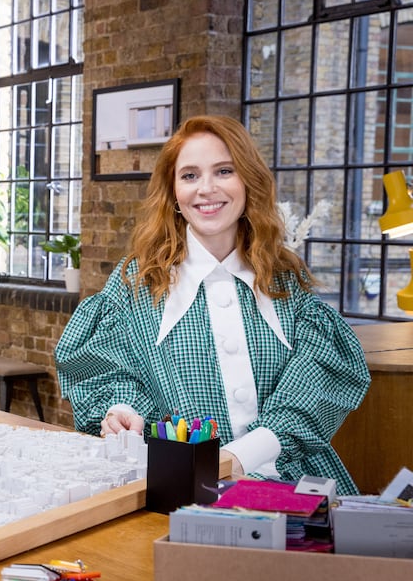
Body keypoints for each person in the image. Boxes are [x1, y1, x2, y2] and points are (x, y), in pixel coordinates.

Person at [54, 115, 369, 495]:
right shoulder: (137, 281)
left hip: (295, 489)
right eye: (189, 176)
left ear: (248, 182)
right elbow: (112, 370)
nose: (206, 189)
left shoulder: (286, 278)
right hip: (180, 489)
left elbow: (315, 384)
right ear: (173, 193)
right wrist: (123, 410)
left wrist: (241, 456)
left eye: (223, 171)